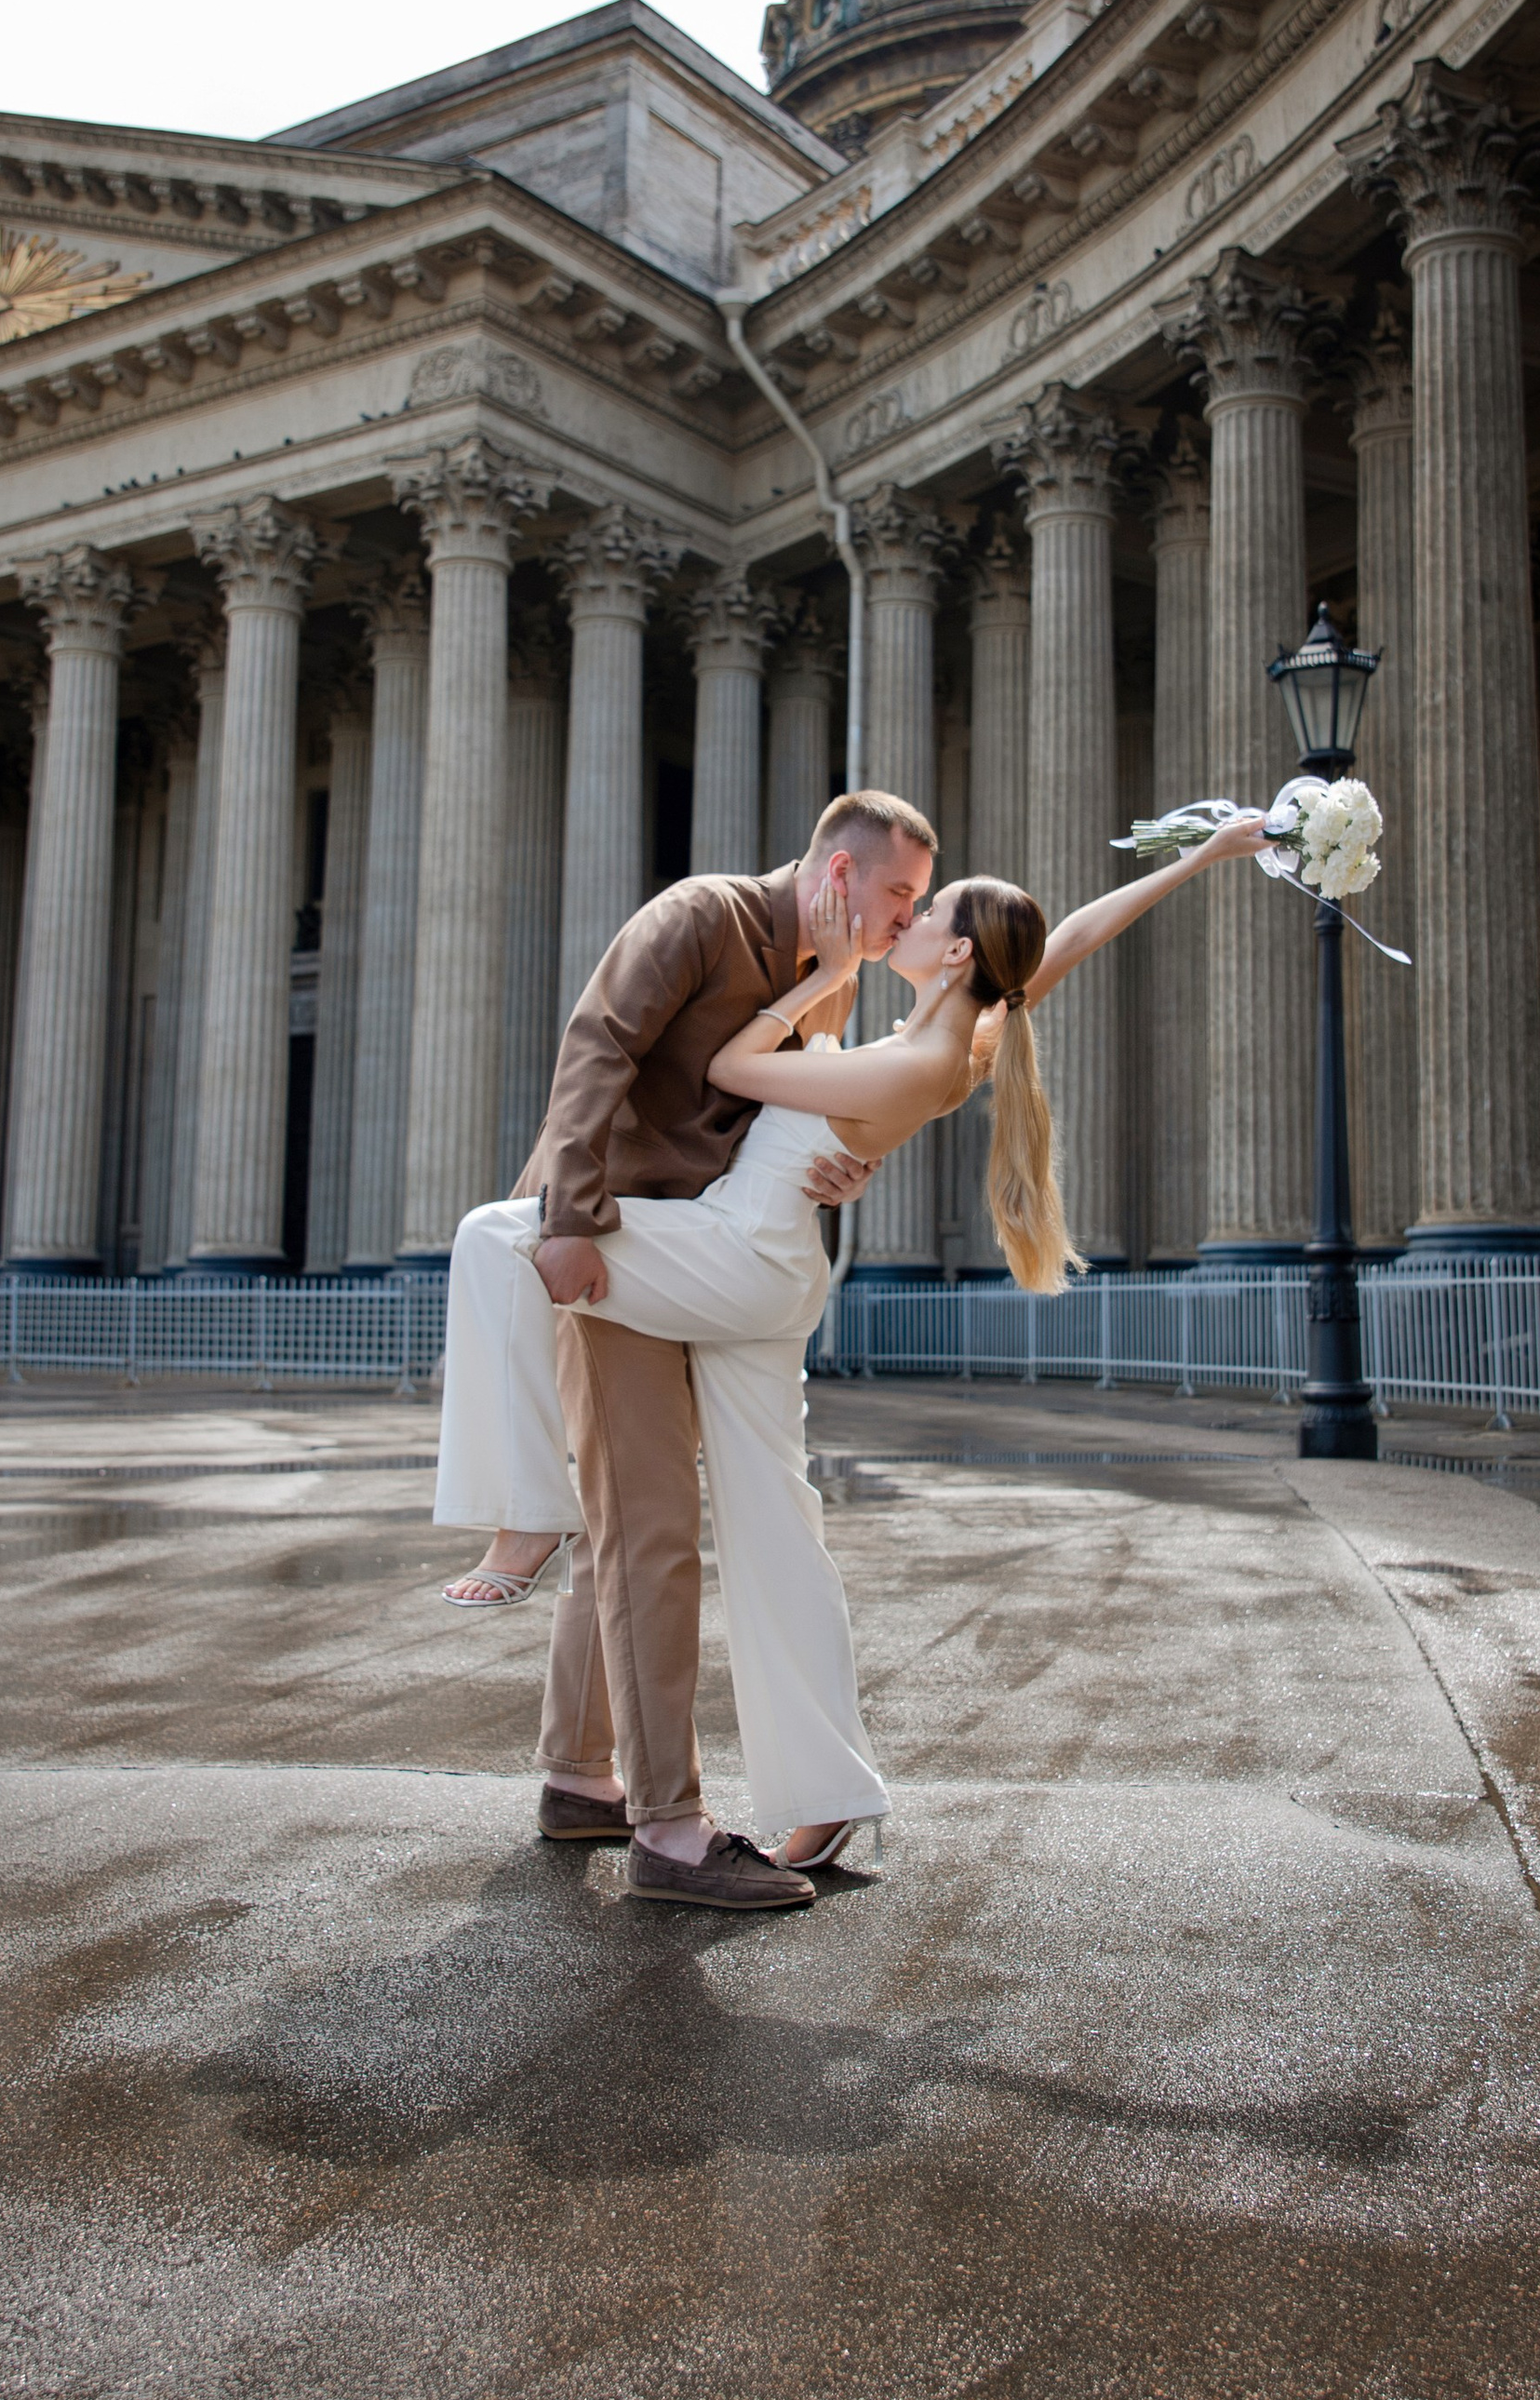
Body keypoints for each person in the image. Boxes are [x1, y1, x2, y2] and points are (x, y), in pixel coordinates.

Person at [435, 796, 1271, 1906]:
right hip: (733, 1261)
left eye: (923, 908)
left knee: (497, 1244)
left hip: (733, 1262)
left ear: (956, 953)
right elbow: (1064, 941)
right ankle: (791, 1789)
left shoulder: (904, 1035)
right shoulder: (931, 1020)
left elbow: (738, 1071)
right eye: (901, 896)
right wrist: (1203, 855)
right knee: (756, 1528)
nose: (906, 919)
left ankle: (530, 1525)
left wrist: (824, 1007)